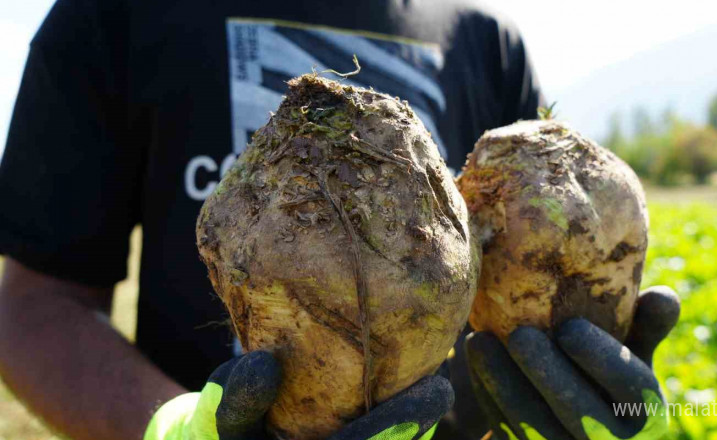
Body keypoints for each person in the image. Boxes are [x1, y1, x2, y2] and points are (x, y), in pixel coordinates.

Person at [0, 0, 679, 438]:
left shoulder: (483, 35)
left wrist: (591, 390)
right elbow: (34, 303)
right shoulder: (116, 16)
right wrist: (172, 432)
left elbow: (531, 273)